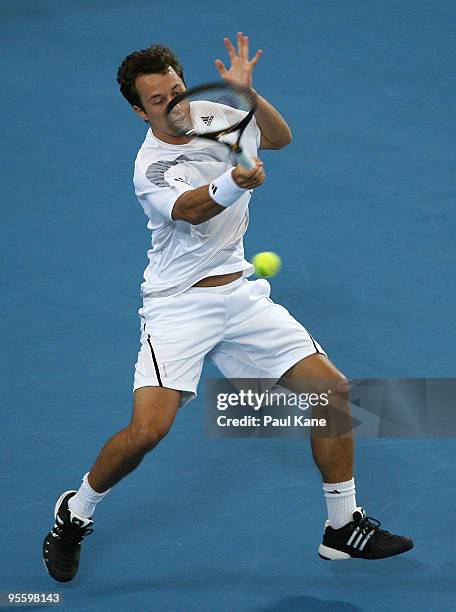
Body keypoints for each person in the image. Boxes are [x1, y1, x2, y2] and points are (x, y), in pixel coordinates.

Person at [43, 33, 412, 582]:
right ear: (139, 113)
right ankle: (76, 512)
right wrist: (235, 182)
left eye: (177, 89)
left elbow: (281, 139)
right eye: (159, 101)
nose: (176, 104)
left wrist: (249, 96)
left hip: (239, 293)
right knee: (148, 432)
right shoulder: (150, 169)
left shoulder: (212, 114)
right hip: (179, 306)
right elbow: (192, 209)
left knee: (333, 392)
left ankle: (342, 527)